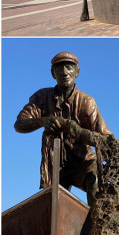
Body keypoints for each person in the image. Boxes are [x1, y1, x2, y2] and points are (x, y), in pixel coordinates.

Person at [14, 51, 112, 206]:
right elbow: (19, 124)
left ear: (77, 72)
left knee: (95, 182)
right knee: (53, 206)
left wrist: (78, 132)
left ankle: (98, 226)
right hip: (55, 164)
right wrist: (42, 121)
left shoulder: (87, 102)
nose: (65, 72)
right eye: (59, 68)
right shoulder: (42, 97)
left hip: (83, 162)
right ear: (53, 73)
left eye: (69, 67)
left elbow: (105, 137)